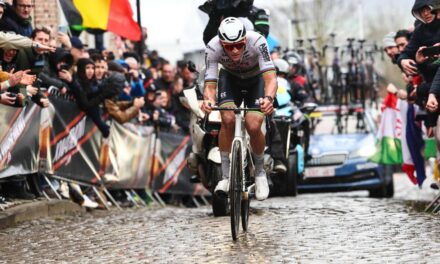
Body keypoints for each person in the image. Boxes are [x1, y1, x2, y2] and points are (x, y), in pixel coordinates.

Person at [201, 17, 277, 201]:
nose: (234, 50)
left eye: (239, 45)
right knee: (226, 119)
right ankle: (226, 177)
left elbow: (270, 78)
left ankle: (259, 174)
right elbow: (210, 84)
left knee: (253, 124)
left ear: (245, 39)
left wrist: (268, 99)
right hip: (230, 78)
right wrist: (208, 101)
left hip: (256, 79)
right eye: (228, 46)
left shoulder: (258, 41)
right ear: (221, 43)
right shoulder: (212, 47)